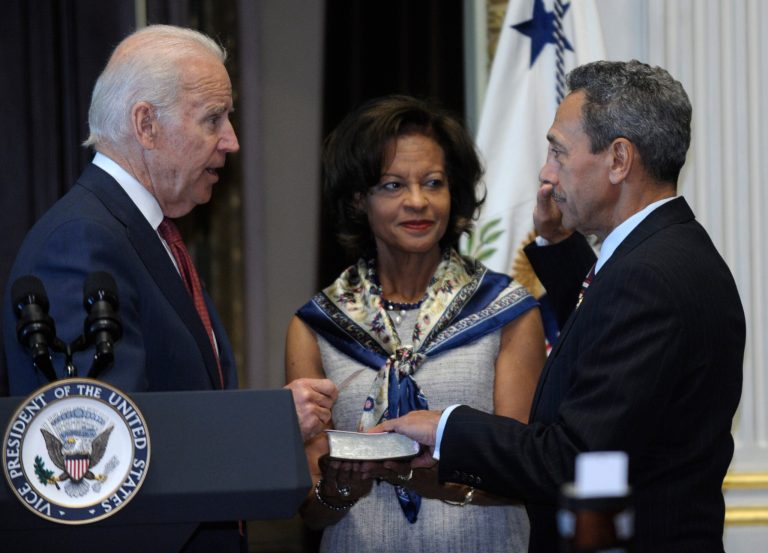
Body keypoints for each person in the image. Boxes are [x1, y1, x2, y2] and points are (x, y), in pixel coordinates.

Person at [374, 60, 746, 553]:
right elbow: (604, 346)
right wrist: (554, 243)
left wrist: (445, 427)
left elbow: (574, 458)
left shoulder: (649, 276)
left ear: (618, 160)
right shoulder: (663, 254)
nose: (546, 174)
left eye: (557, 152)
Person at [3, 24, 335, 551]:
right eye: (212, 119)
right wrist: (269, 426)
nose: (232, 140)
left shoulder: (143, 232)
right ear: (146, 124)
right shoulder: (81, 243)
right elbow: (100, 460)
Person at [285, 95, 546, 552]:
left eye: (433, 182)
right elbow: (311, 510)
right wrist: (343, 487)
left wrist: (428, 478)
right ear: (358, 200)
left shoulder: (507, 312)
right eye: (392, 186)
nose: (418, 202)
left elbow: (525, 470)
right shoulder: (318, 325)